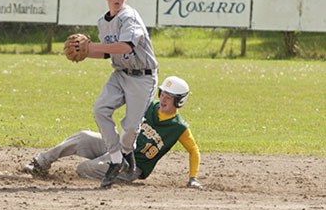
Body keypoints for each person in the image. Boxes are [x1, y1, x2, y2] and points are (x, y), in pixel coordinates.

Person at [23, 76, 202, 189]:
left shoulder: (179, 128)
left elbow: (194, 151)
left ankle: (103, 172)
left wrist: (193, 178)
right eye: (162, 93)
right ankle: (41, 163)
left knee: (84, 169)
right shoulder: (149, 105)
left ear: (179, 101)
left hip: (131, 166)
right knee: (84, 136)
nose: (163, 98)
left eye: (169, 97)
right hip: (118, 146)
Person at [74, 0, 159, 187]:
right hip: (121, 74)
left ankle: (126, 152)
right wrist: (84, 53)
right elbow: (107, 54)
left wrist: (91, 47)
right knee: (100, 110)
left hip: (143, 77)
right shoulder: (103, 22)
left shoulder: (129, 17)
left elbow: (125, 47)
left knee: (131, 127)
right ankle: (115, 158)